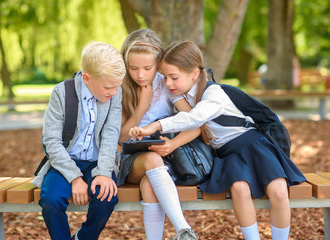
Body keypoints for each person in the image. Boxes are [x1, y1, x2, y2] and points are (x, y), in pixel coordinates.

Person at [129, 40, 307, 240]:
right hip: (227, 153)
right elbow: (193, 125)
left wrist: (155, 126)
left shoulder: (213, 93)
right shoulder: (181, 97)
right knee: (239, 189)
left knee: (279, 192)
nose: (168, 83)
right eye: (165, 77)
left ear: (194, 74)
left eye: (173, 77)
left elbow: (194, 118)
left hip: (253, 145)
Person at [32, 42, 126, 240]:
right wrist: (75, 178)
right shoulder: (62, 93)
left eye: (117, 86)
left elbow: (110, 134)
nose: (114, 93)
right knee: (51, 199)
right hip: (64, 162)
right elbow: (51, 141)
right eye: (109, 87)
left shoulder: (114, 95)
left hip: (96, 162)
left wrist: (103, 172)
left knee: (107, 196)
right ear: (87, 78)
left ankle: (84, 237)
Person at [118, 29, 199, 240]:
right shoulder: (122, 87)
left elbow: (194, 123)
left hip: (166, 159)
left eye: (148, 68)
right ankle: (184, 229)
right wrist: (142, 107)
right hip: (131, 161)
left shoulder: (165, 85)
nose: (141, 75)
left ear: (159, 65)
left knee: (150, 185)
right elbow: (121, 138)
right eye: (133, 68)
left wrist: (173, 144)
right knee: (152, 161)